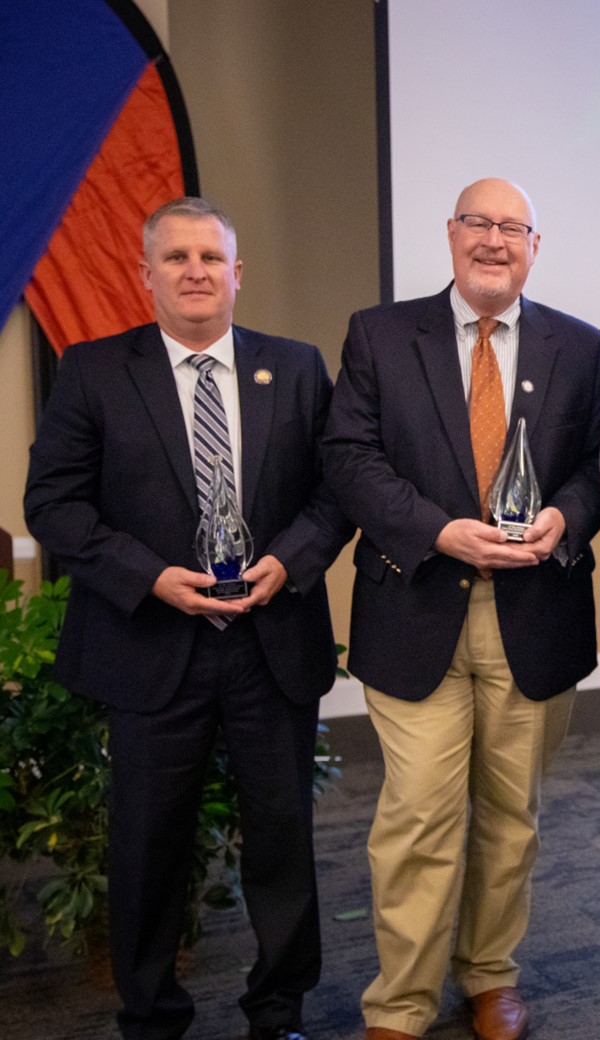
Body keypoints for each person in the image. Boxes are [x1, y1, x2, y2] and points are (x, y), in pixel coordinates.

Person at [24, 196, 351, 1040]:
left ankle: (277, 1012)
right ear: (146, 276)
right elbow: (52, 505)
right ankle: (151, 1016)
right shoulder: (93, 371)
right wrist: (149, 577)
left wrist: (292, 560)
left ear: (238, 274)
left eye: (212, 257)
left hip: (269, 645)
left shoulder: (299, 366)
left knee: (282, 842)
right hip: (150, 644)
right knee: (146, 846)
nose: (196, 271)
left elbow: (334, 492)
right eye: (177, 258)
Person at [322, 178, 600, 1040]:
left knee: (509, 815)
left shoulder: (581, 344)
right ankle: (401, 1003)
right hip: (414, 605)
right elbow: (350, 457)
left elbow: (598, 466)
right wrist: (440, 531)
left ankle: (490, 973)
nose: (494, 240)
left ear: (534, 243)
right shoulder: (380, 333)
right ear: (450, 234)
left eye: (511, 227)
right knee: (417, 814)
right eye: (478, 223)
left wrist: (568, 516)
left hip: (534, 613)